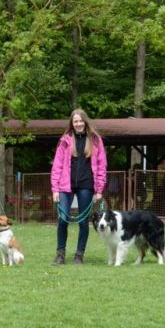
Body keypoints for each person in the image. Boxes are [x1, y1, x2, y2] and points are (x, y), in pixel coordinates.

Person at [50, 108, 107, 265]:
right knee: (63, 220)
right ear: (72, 123)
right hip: (65, 186)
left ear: (85, 122)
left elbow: (102, 166)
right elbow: (57, 166)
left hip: (86, 185)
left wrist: (99, 189)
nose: (78, 124)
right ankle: (60, 254)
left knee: (83, 221)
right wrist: (55, 189)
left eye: (81, 121)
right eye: (75, 121)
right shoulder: (65, 140)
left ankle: (79, 255)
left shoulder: (95, 140)